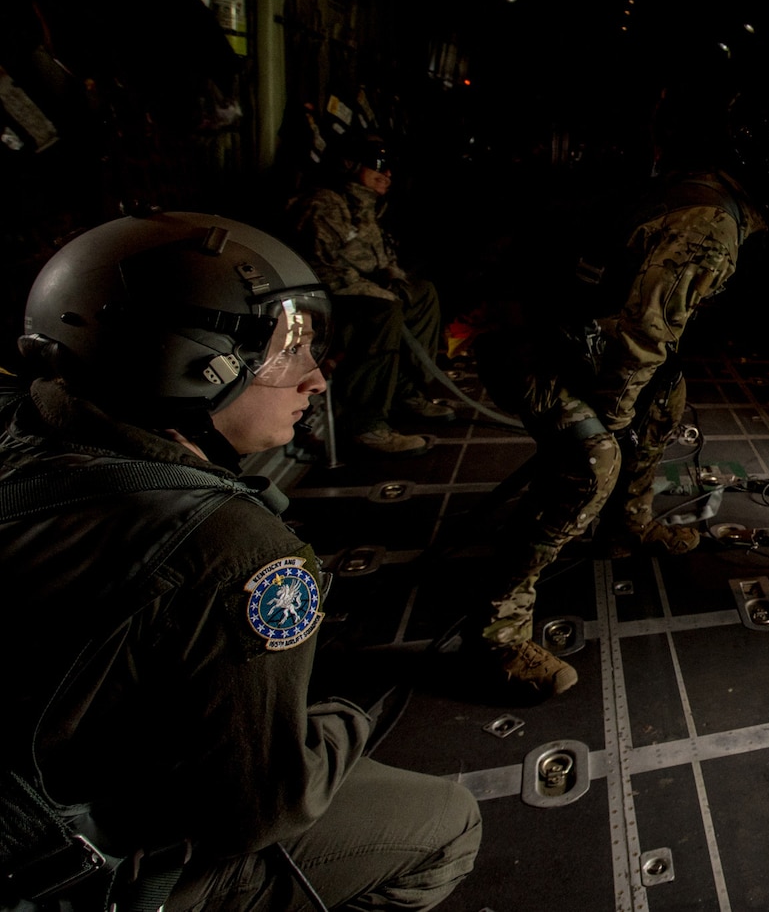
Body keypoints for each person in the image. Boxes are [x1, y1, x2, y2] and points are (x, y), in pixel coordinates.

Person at [0, 211, 480, 911]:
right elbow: (262, 807)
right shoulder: (239, 551)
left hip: (30, 795)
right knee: (448, 822)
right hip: (72, 868)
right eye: (289, 354)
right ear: (193, 366)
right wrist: (347, 719)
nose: (315, 380)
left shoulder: (28, 425)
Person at [468, 111, 769, 699]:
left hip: (574, 333)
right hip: (528, 343)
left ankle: (624, 526)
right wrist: (609, 418)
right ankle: (496, 635)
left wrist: (640, 395)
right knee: (590, 460)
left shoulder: (711, 191)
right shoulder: (711, 223)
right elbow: (643, 336)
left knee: (664, 401)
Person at [292, 134, 453, 458]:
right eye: (378, 165)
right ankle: (366, 424)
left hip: (364, 287)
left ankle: (405, 393)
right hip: (331, 296)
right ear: (350, 166)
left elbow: (379, 257)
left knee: (421, 294)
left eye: (390, 168)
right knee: (383, 310)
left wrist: (394, 277)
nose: (387, 174)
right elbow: (324, 266)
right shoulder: (323, 203)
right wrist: (378, 289)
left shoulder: (366, 205)